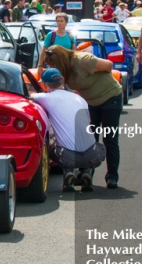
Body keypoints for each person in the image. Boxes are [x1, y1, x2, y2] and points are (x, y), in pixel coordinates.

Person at [43, 46, 123, 189]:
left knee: (110, 139)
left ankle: (112, 177)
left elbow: (109, 65)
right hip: (91, 102)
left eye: (54, 65)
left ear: (61, 61)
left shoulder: (83, 60)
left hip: (111, 98)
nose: (53, 67)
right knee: (88, 138)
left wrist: (95, 74)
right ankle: (86, 175)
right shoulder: (65, 71)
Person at [31, 68, 105, 192]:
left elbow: (30, 96)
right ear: (62, 81)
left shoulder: (46, 98)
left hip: (68, 156)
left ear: (45, 85)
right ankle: (86, 172)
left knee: (51, 147)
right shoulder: (80, 99)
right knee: (101, 147)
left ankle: (68, 172)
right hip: (91, 154)